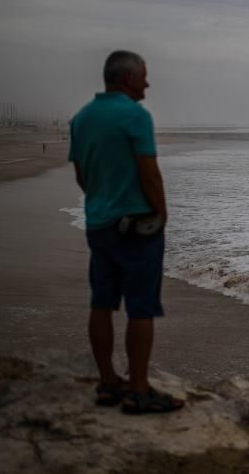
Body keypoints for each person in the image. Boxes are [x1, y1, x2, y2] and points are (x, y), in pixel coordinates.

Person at [69, 50, 184, 414]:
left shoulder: (82, 118)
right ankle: (138, 389)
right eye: (144, 77)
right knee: (141, 308)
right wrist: (162, 214)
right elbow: (149, 173)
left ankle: (107, 382)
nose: (148, 84)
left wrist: (102, 202)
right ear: (128, 78)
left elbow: (81, 175)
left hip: (98, 223)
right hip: (136, 226)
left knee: (101, 303)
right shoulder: (136, 116)